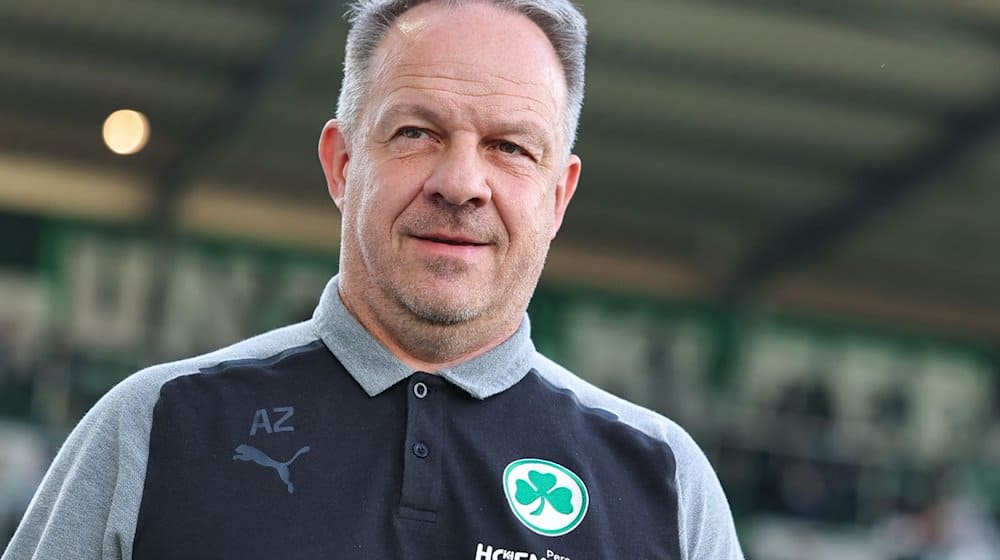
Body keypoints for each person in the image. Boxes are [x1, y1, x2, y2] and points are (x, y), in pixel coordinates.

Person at [4, 1, 744, 558]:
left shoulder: (666, 487)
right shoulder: (154, 427)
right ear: (342, 162)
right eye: (416, 133)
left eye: (510, 147)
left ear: (558, 196)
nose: (461, 183)